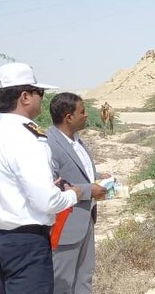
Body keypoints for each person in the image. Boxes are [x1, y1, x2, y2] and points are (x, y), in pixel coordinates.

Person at [0, 62, 82, 294]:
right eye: (40, 93)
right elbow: (47, 203)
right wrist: (72, 195)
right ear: (25, 97)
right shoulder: (29, 138)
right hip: (25, 242)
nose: (42, 98)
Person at [46, 92, 111, 294]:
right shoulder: (48, 143)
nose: (86, 115)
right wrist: (87, 190)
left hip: (86, 220)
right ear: (69, 117)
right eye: (82, 112)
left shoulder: (75, 140)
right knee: (62, 283)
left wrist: (99, 176)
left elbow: (77, 170)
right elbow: (49, 184)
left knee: (84, 278)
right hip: (65, 225)